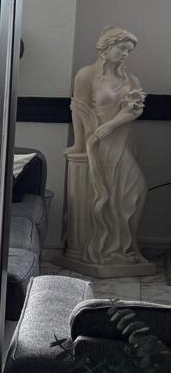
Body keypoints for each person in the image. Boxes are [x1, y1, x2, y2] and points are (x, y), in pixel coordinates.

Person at [64, 26, 154, 276]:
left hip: (120, 142)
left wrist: (112, 125)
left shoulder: (130, 80)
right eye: (122, 48)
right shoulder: (86, 75)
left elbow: (135, 110)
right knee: (104, 195)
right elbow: (79, 110)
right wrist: (79, 144)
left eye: (129, 51)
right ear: (106, 47)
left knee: (137, 189)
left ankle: (128, 246)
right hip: (97, 144)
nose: (125, 54)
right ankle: (104, 248)